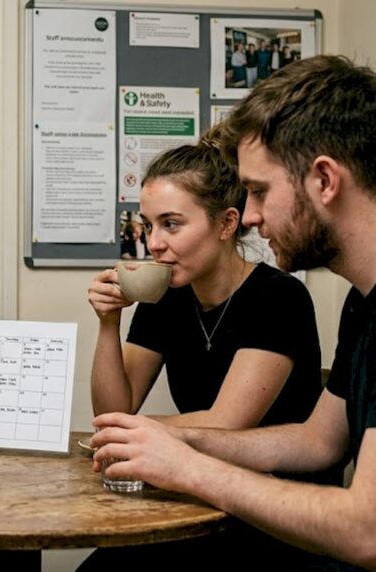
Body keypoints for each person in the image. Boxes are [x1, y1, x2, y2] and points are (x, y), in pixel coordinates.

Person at [92, 55, 376, 570]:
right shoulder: (375, 290)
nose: (248, 215)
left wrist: (189, 467)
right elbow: (317, 443)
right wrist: (175, 436)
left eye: (260, 192)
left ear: (324, 180)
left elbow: (372, 534)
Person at [83, 131, 334, 570]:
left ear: (226, 223)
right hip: (198, 494)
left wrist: (125, 432)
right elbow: (112, 407)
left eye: (172, 224)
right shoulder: (168, 294)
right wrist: (109, 322)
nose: (154, 243)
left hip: (276, 510)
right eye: (148, 225)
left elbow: (227, 425)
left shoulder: (279, 298)